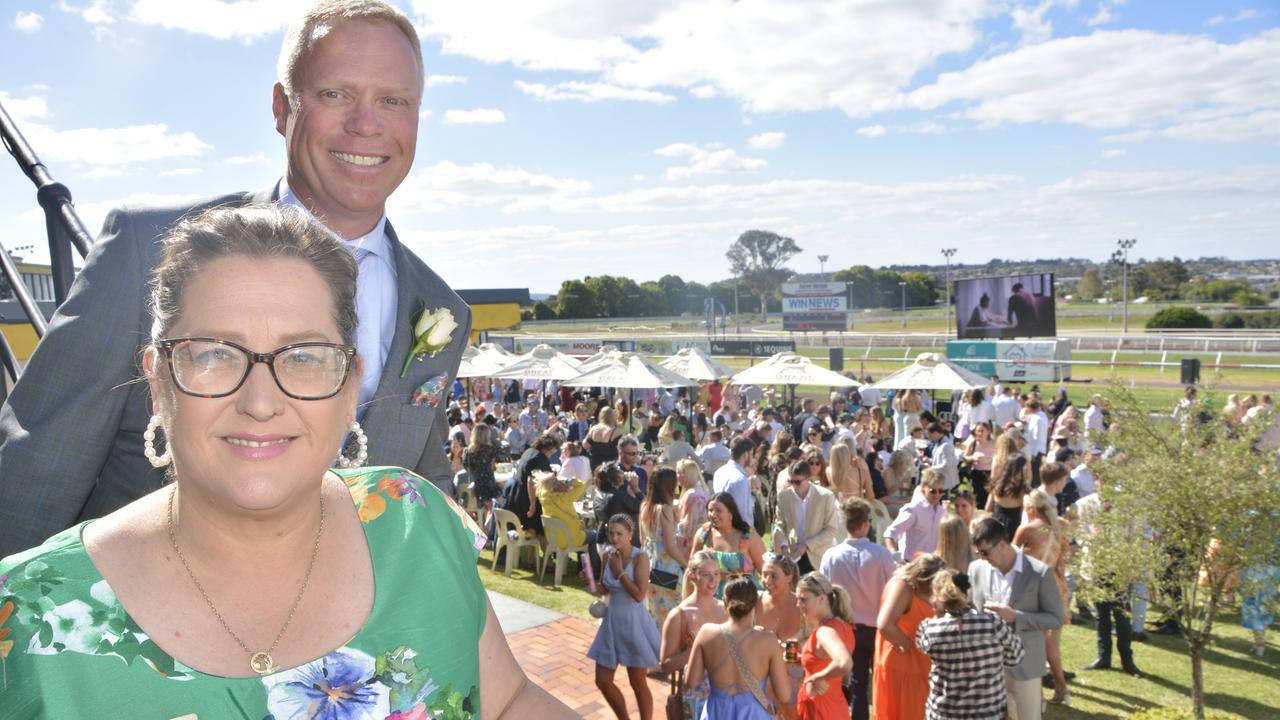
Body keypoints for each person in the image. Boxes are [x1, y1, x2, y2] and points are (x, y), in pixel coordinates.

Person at [0, 206, 569, 716]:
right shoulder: (21, 623)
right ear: (157, 382)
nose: (261, 402)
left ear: (350, 388)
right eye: (215, 355)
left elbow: (508, 701)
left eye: (303, 356)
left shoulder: (417, 521)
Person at [0, 0, 474, 560]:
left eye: (393, 101)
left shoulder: (443, 308)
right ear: (282, 108)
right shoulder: (144, 248)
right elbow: (39, 465)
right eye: (335, 94)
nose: (366, 124)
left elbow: (421, 476)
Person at [968, 517, 1066, 720]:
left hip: (1025, 664)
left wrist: (1016, 617)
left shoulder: (1039, 573)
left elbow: (1056, 618)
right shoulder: (976, 569)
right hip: (987, 664)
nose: (982, 557)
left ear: (1002, 544)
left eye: (985, 552)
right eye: (978, 553)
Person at [819, 498, 894, 720]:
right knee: (880, 685)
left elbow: (824, 593)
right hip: (877, 629)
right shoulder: (881, 555)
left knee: (857, 687)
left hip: (848, 629)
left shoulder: (832, 556)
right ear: (865, 524)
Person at [915, 569, 1025, 720]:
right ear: (967, 593)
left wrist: (938, 613)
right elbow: (1016, 657)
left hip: (944, 713)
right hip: (989, 712)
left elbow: (923, 647)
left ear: (938, 597)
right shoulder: (992, 623)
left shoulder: (929, 628)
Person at [686, 576, 794, 719]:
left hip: (717, 712)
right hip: (754, 713)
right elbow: (784, 695)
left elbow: (692, 682)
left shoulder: (706, 632)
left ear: (724, 603)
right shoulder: (768, 640)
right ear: (755, 605)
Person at [589, 514, 662, 720]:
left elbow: (639, 595)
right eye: (611, 533)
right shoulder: (608, 555)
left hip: (633, 624)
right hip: (612, 622)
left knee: (637, 683)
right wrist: (591, 583)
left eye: (620, 533)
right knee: (602, 680)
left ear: (630, 534)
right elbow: (605, 590)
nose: (615, 538)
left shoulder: (641, 558)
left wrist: (620, 572)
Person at [1013, 488, 1071, 705]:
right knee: (1050, 643)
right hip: (1056, 587)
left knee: (1036, 643)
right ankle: (1061, 688)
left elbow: (1010, 558)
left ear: (1029, 508)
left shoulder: (1027, 529)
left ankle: (1038, 695)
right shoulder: (1060, 526)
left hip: (1033, 590)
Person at [873, 554, 946, 720]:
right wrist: (907, 644)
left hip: (913, 664)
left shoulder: (905, 584)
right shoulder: (903, 586)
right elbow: (885, 624)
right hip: (905, 664)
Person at [660, 551, 728, 720]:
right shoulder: (680, 615)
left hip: (727, 692)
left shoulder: (724, 607)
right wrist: (697, 649)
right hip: (698, 696)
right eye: (706, 575)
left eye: (716, 574)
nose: (713, 581)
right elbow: (666, 665)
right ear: (692, 576)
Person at [794, 573, 855, 720]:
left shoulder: (825, 631)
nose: (798, 605)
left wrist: (818, 676)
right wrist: (801, 658)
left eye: (803, 599)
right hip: (832, 706)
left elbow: (844, 663)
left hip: (820, 711)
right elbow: (826, 660)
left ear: (822, 598)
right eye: (797, 599)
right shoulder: (842, 625)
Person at [774, 460, 843, 575]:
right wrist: (784, 546)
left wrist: (807, 545)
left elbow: (831, 530)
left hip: (818, 556)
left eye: (797, 482)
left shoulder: (825, 496)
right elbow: (780, 525)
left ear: (808, 479)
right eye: (791, 482)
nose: (794, 486)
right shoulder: (784, 496)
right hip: (793, 556)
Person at [758, 553, 807, 711]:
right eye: (764, 575)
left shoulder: (803, 606)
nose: (767, 581)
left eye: (774, 576)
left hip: (797, 689)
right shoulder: (754, 603)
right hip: (762, 689)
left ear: (789, 577)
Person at [640, 468, 689, 628]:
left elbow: (642, 539)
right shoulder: (665, 510)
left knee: (654, 612)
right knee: (671, 615)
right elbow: (670, 546)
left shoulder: (644, 506)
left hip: (650, 566)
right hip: (667, 570)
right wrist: (686, 564)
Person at [692, 493, 765, 598]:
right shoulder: (703, 533)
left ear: (730, 513)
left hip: (743, 597)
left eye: (718, 510)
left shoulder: (748, 536)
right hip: (710, 598)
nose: (713, 514)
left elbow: (765, 569)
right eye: (710, 510)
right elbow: (691, 567)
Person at [884, 469, 948, 561]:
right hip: (912, 564)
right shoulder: (913, 509)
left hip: (934, 564)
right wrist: (895, 557)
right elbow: (890, 533)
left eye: (941, 491)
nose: (937, 494)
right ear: (923, 489)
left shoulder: (942, 512)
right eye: (932, 491)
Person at [713, 437, 757, 524]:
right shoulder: (740, 479)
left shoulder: (719, 471)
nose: (752, 458)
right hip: (736, 532)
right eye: (751, 454)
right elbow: (742, 515)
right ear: (745, 455)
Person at [986, 453, 1030, 540]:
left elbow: (988, 508)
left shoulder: (996, 484)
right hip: (1014, 525)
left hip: (996, 522)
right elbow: (1024, 513)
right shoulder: (1023, 490)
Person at [462, 422, 502, 514]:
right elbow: (502, 456)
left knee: (488, 509)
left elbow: (466, 467)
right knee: (498, 504)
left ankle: (486, 520)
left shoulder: (467, 451)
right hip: (490, 486)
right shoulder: (490, 449)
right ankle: (490, 524)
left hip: (476, 486)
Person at [676, 458, 711, 549]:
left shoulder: (692, 494)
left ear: (687, 475)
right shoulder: (703, 490)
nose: (677, 476)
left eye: (679, 473)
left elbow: (689, 526)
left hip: (691, 543)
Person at [962, 421, 995, 509]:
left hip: (991, 473)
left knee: (990, 496)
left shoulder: (994, 443)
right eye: (978, 431)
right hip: (977, 473)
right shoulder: (973, 443)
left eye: (982, 430)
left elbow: (1000, 457)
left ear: (988, 431)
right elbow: (965, 457)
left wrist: (989, 460)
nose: (980, 433)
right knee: (979, 497)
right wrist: (973, 458)